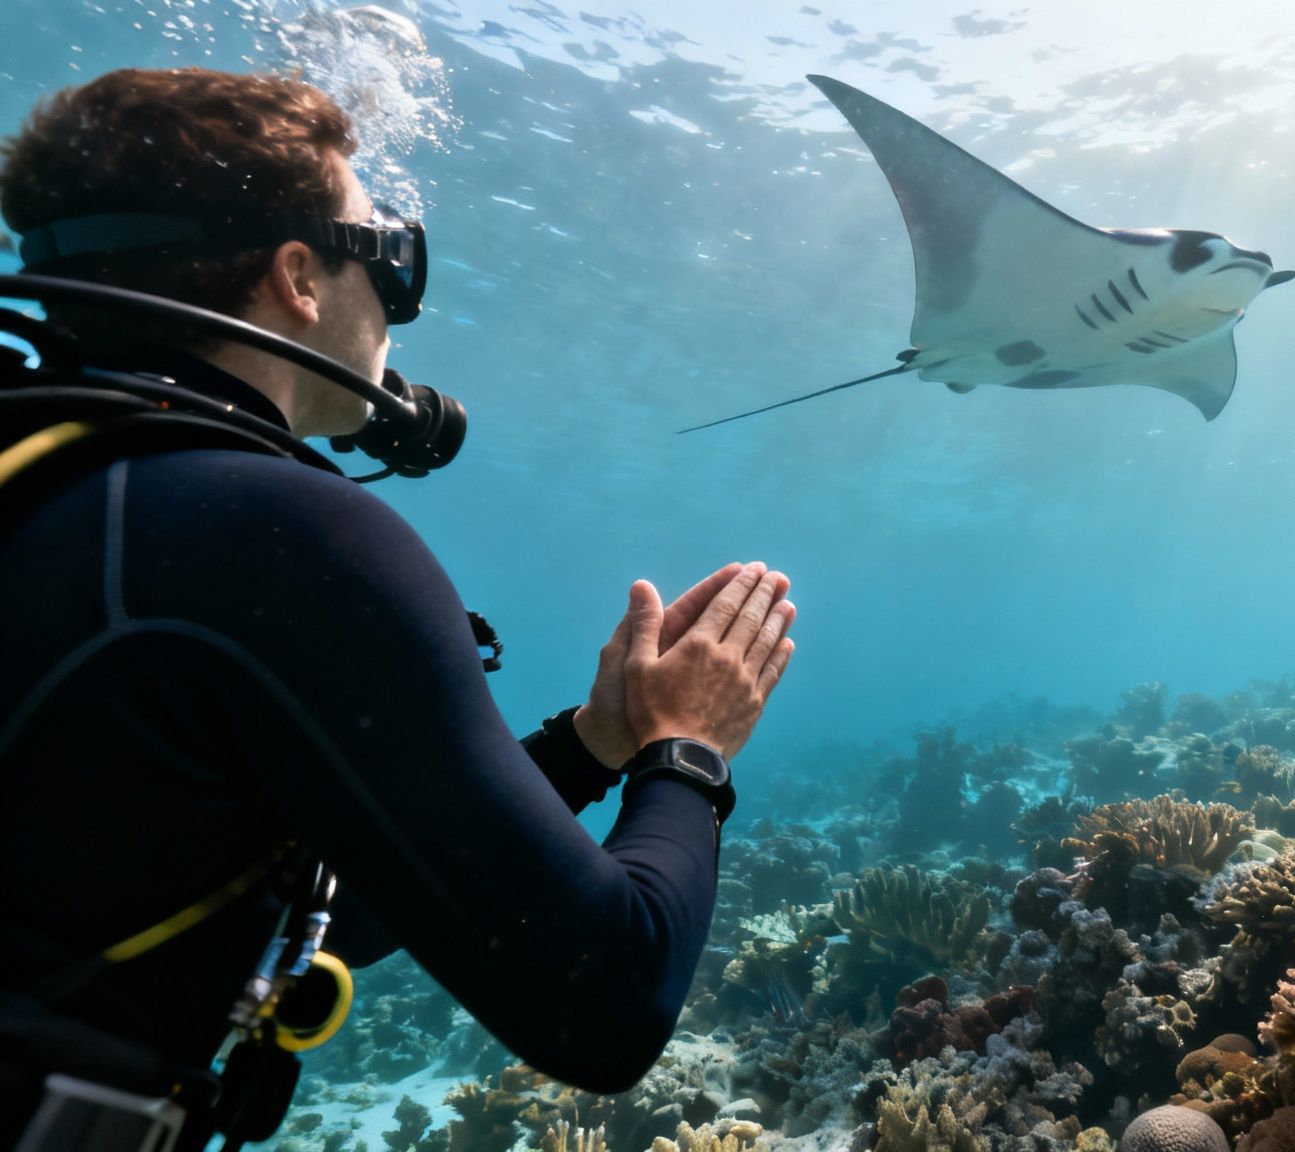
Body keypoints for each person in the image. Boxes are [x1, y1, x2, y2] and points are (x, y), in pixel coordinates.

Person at [0, 67, 793, 1145]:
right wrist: (686, 751)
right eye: (389, 259)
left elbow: (321, 908)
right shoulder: (279, 533)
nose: (398, 310)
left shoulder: (58, 489)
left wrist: (596, 744)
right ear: (298, 276)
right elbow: (606, 1005)